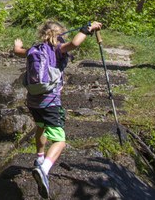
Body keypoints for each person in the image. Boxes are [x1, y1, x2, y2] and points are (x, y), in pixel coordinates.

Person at [13, 19, 102, 199]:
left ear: (42, 34)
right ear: (60, 34)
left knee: (41, 127)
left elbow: (18, 51)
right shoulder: (57, 49)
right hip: (50, 102)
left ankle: (39, 158)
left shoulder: (34, 49)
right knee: (60, 140)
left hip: (33, 101)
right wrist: (88, 28)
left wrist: (18, 45)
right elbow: (75, 43)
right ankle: (44, 169)